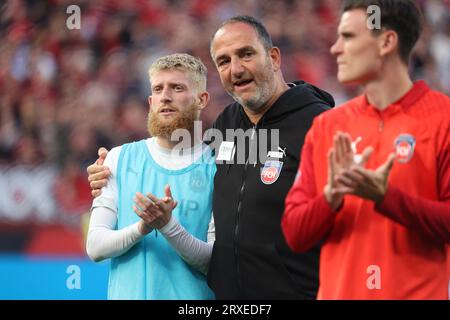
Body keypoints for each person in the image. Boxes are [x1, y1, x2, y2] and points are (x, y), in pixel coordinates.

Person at [88, 16, 334, 299]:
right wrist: (105, 171)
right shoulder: (227, 127)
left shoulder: (320, 125)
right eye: (224, 61)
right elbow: (181, 160)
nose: (236, 69)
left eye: (246, 54)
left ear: (274, 57)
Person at [282, 0, 450, 299]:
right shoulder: (326, 127)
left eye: (347, 36)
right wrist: (330, 197)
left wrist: (386, 198)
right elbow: (294, 234)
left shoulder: (443, 119)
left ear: (386, 41)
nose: (335, 49)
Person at [86, 53, 216, 300]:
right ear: (150, 100)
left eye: (177, 88)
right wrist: (142, 228)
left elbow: (215, 262)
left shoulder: (219, 169)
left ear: (202, 99)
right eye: (158, 89)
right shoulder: (118, 159)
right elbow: (95, 247)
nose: (165, 96)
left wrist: (167, 226)